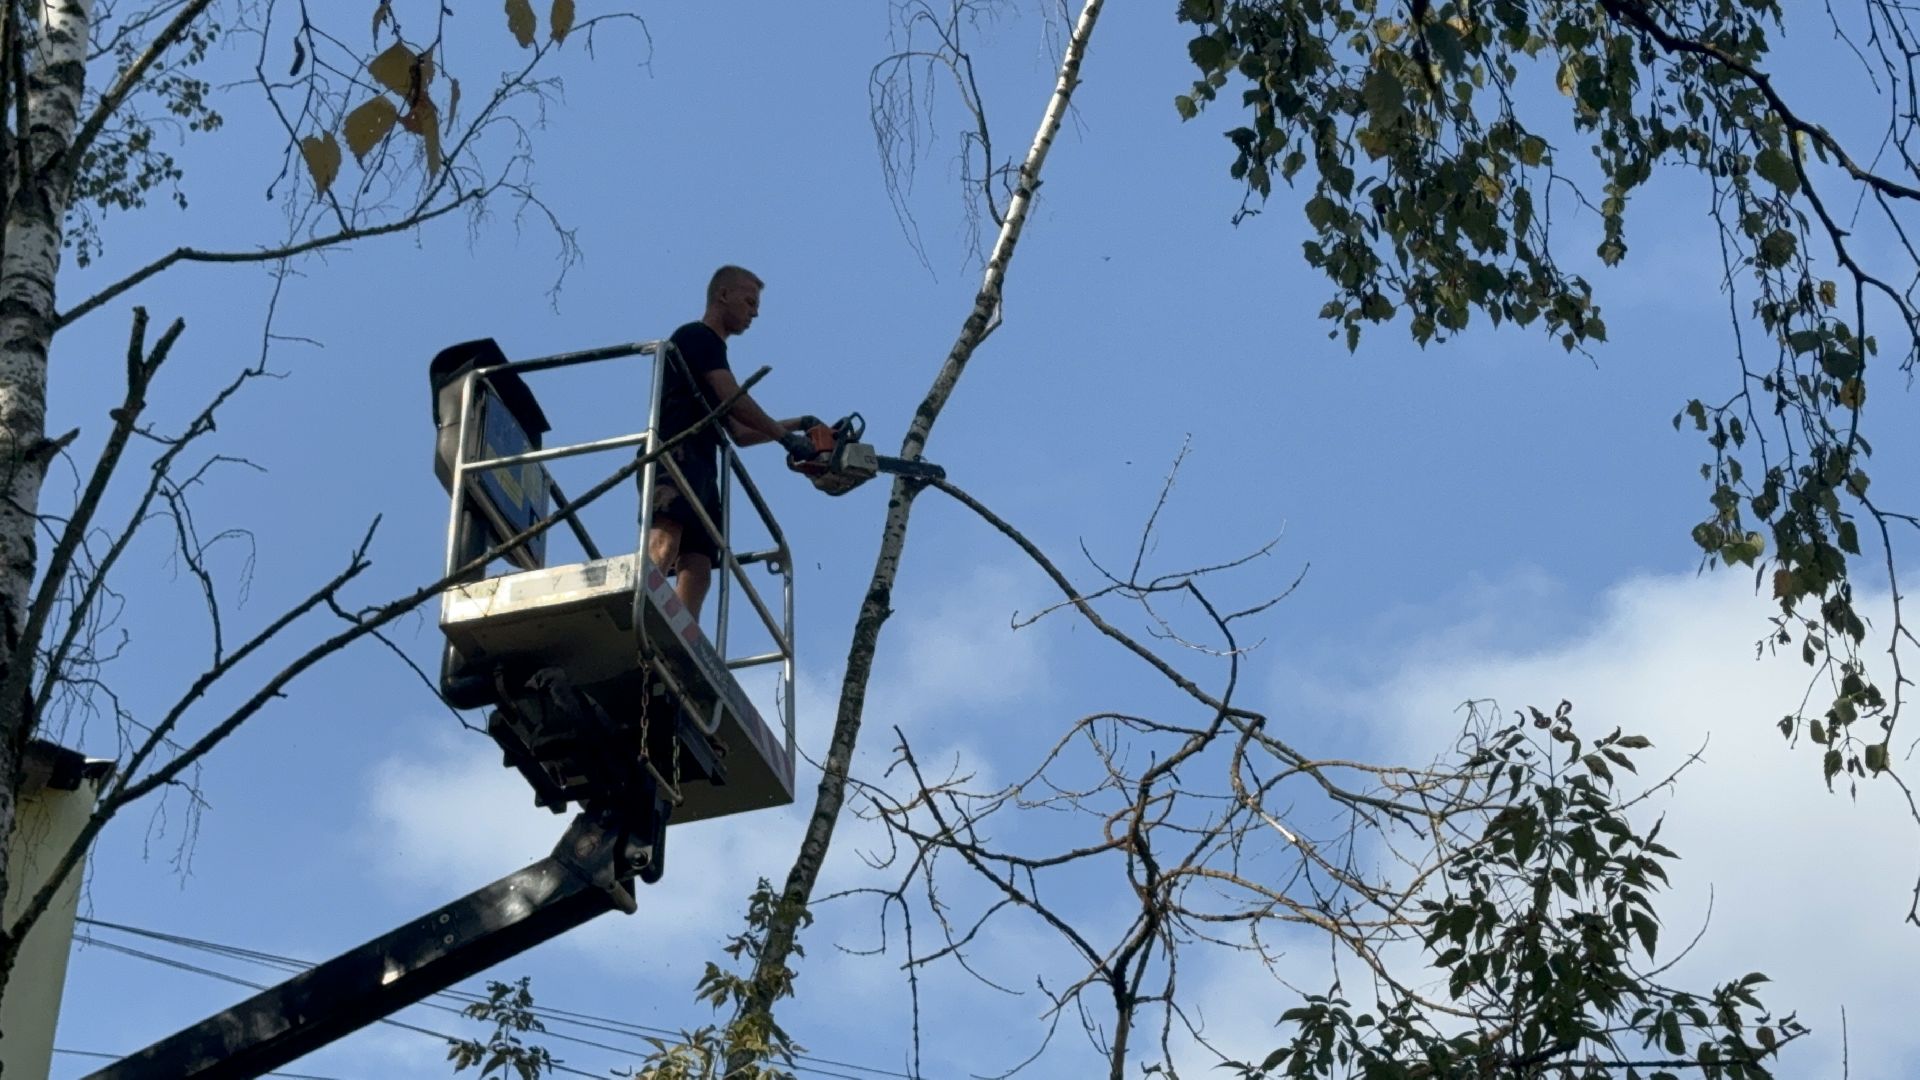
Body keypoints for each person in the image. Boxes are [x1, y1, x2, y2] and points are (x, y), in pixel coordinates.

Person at [646, 265, 816, 620]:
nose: (755, 312)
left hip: (703, 467)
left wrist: (800, 425)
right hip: (674, 451)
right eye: (749, 301)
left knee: (700, 565)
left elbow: (740, 432)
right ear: (723, 296)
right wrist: (786, 439)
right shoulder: (696, 337)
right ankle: (641, 601)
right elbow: (733, 398)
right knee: (667, 538)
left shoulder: (713, 353)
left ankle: (680, 637)